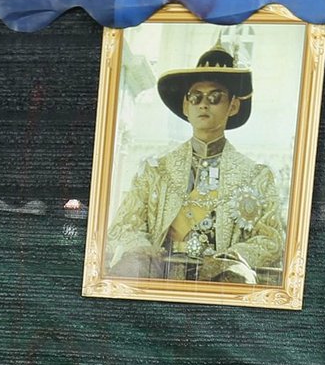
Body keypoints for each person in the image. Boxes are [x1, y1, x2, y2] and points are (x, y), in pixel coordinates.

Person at [106, 46, 285, 284]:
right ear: (185, 106)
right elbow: (124, 227)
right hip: (161, 279)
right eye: (195, 97)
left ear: (233, 106)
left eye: (215, 97)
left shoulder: (256, 177)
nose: (203, 105)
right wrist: (142, 249)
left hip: (220, 285)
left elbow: (270, 238)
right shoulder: (155, 172)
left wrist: (234, 258)